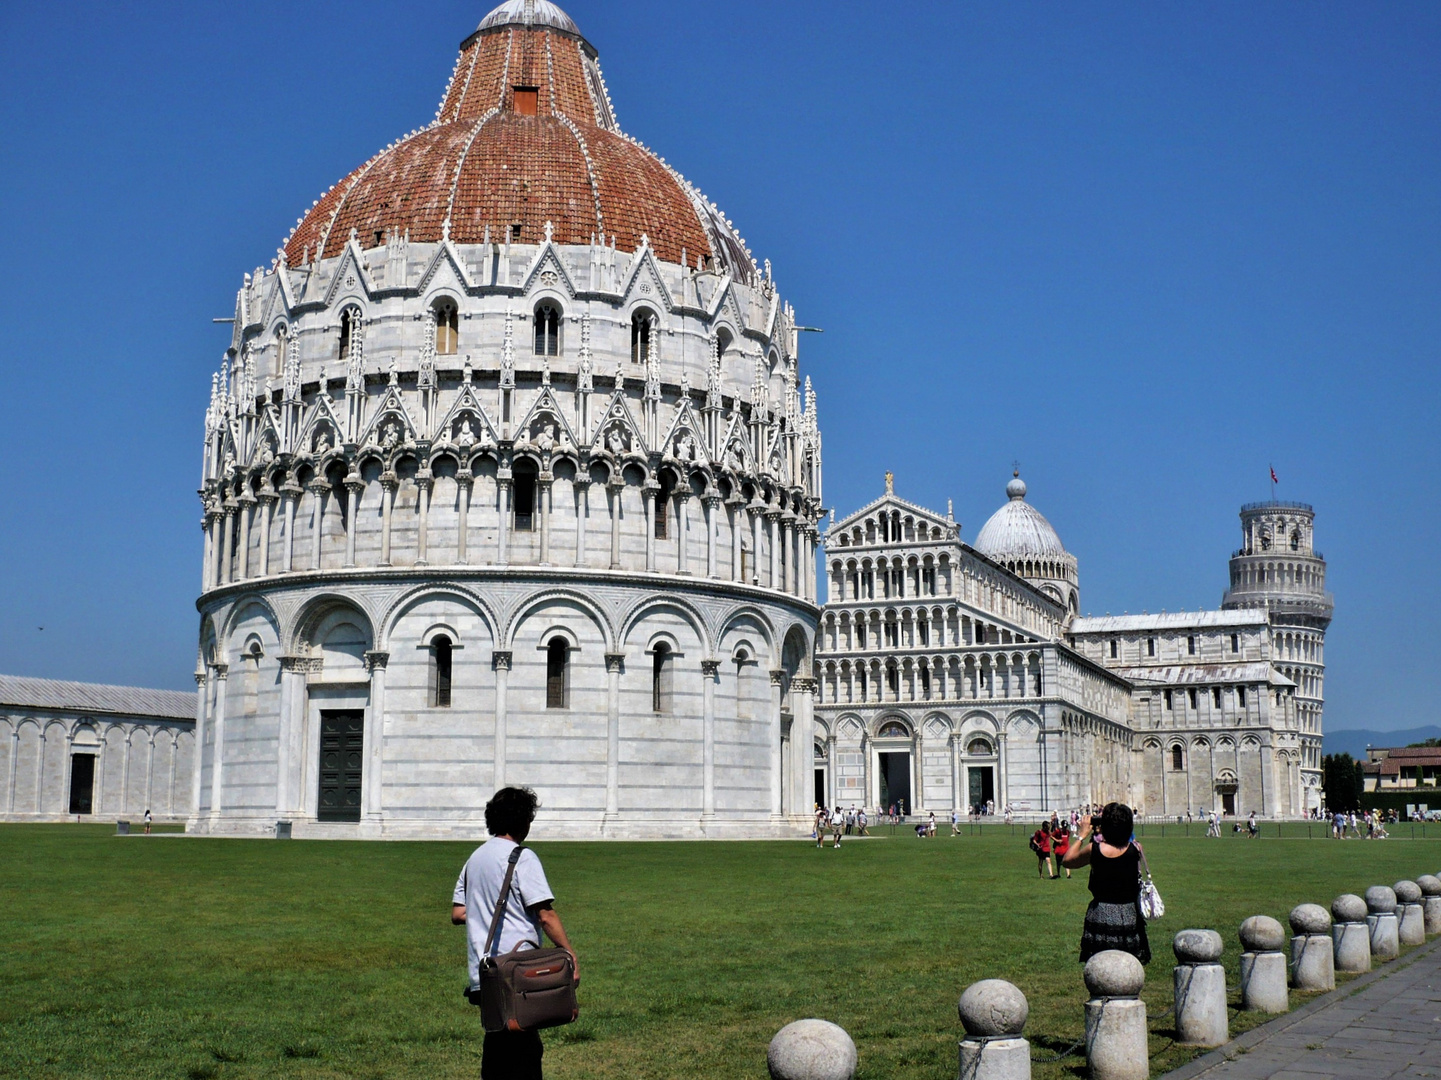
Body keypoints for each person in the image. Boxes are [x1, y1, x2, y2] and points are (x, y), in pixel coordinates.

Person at [452, 786, 578, 1080]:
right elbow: (545, 915)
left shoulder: (475, 859)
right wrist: (569, 953)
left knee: (497, 1046)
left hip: (485, 974)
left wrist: (486, 906)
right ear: (523, 822)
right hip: (518, 972)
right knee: (524, 1056)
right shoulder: (521, 857)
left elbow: (458, 913)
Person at [1065, 802, 1151, 965]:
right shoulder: (1136, 848)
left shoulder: (1094, 850)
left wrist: (1081, 835)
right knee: (1128, 965)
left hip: (1101, 913)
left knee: (1100, 964)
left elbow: (1067, 861)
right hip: (1129, 913)